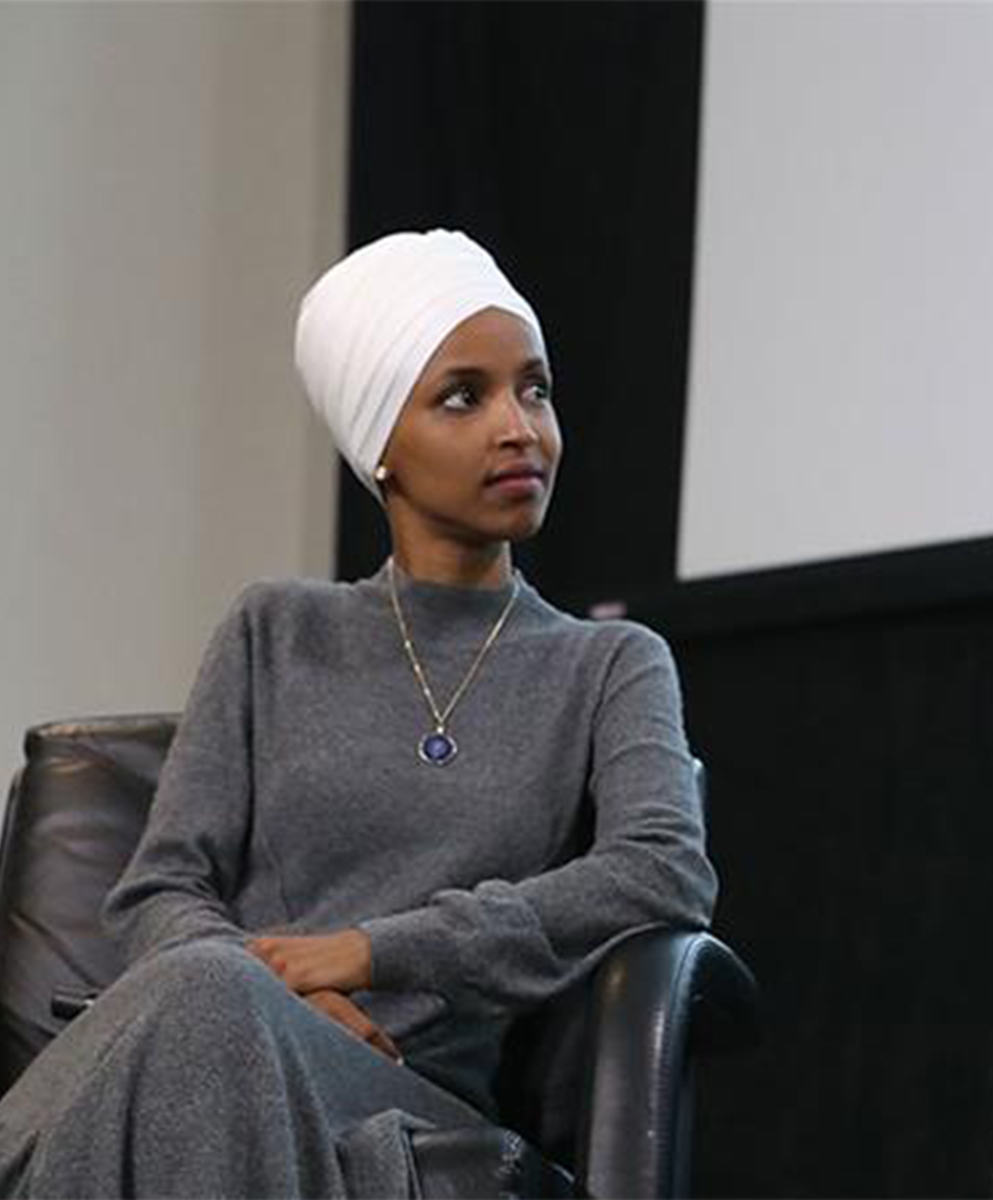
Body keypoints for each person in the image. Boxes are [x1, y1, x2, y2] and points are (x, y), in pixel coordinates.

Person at [0, 230, 717, 1196]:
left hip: (403, 1084)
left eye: (535, 388)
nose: (520, 427)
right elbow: (159, 889)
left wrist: (369, 951)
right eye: (465, 396)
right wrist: (263, 998)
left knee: (208, 1001)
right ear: (379, 445)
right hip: (212, 1034)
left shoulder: (609, 664)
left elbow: (661, 871)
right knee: (210, 1001)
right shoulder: (273, 628)